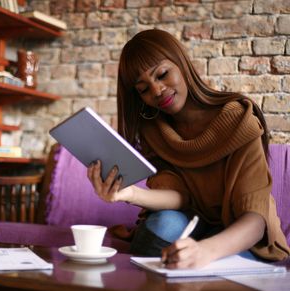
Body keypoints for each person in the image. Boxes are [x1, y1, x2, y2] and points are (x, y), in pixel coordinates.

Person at [87, 29, 289, 269]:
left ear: (181, 63)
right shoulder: (154, 130)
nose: (157, 90)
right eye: (143, 89)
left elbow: (255, 220)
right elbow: (179, 197)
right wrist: (128, 194)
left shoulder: (238, 120)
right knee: (161, 225)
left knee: (207, 268)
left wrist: (205, 251)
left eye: (162, 74)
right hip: (188, 227)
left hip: (239, 234)